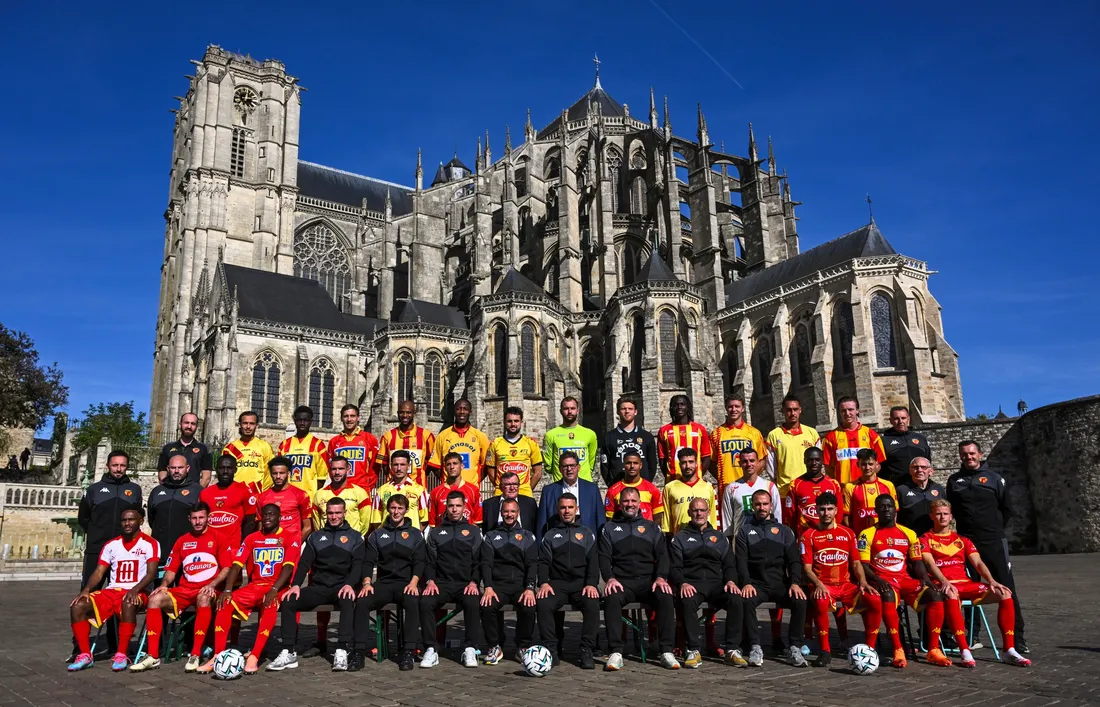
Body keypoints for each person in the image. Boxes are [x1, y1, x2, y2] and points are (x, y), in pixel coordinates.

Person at [919, 499, 1031, 667]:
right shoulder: (925, 538)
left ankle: (1009, 649)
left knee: (1004, 593)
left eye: (945, 514)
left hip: (965, 583)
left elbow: (978, 563)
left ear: (951, 517)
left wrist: (992, 581)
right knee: (951, 592)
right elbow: (930, 564)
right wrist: (944, 581)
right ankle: (965, 650)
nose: (942, 517)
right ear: (932, 516)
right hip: (943, 586)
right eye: (938, 514)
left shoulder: (962, 540)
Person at [197, 504, 300, 675]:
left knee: (270, 603)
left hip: (278, 587)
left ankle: (255, 655)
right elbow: (236, 565)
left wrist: (274, 588)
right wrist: (228, 590)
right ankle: (218, 655)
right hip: (254, 586)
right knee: (224, 603)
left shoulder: (290, 537)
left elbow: (288, 568)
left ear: (279, 517)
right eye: (264, 515)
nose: (267, 518)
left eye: (271, 515)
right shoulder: (252, 538)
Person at [131, 502, 232, 672]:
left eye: (201, 517)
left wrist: (212, 584)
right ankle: (152, 655)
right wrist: (164, 585)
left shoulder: (219, 537)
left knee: (203, 597)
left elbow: (227, 568)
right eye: (194, 518)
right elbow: (171, 570)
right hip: (185, 590)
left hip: (209, 590)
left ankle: (195, 653)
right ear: (189, 519)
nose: (198, 521)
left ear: (208, 517)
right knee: (155, 599)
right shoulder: (182, 541)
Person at [268, 497, 365, 672]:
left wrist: (350, 584)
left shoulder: (355, 537)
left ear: (344, 513)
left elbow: (358, 565)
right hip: (319, 588)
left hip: (342, 587)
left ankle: (342, 650)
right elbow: (304, 563)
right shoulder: (316, 537)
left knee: (348, 600)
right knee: (289, 600)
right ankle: (288, 651)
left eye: (337, 513)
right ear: (325, 514)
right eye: (330, 513)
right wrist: (296, 585)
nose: (334, 516)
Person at [947, 440, 1026, 653]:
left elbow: (1006, 508)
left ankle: (1017, 638)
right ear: (960, 456)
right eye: (964, 454)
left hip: (993, 541)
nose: (968, 457)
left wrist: (994, 530)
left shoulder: (994, 479)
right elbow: (952, 509)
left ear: (980, 454)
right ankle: (972, 635)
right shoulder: (954, 480)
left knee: (1006, 587)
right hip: (968, 543)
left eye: (972, 453)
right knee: (968, 588)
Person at [858, 494, 951, 668]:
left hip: (905, 580)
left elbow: (917, 561)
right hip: (884, 580)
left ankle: (933, 649)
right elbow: (863, 565)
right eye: (882, 506)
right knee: (887, 595)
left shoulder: (908, 533)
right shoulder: (867, 534)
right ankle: (898, 648)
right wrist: (877, 579)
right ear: (876, 511)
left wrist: (925, 578)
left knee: (935, 595)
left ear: (895, 509)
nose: (886, 509)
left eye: (889, 506)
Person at [67, 508, 160, 672]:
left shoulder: (150, 543)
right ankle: (85, 654)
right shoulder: (111, 545)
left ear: (141, 521)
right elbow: (99, 571)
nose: (127, 523)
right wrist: (86, 590)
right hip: (113, 590)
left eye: (131, 519)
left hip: (139, 591)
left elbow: (151, 573)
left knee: (128, 603)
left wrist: (135, 589)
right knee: (78, 605)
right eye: (124, 520)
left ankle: (121, 653)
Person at [73, 450, 143, 659]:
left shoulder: (134, 490)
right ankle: (79, 646)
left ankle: (116, 644)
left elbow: (136, 518)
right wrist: (97, 537)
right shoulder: (94, 490)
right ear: (108, 466)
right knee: (86, 595)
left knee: (119, 597)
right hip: (97, 550)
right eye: (115, 465)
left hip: (123, 553)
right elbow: (83, 518)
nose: (119, 469)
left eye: (122, 465)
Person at [600, 486, 679, 671]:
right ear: (619, 504)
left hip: (648, 582)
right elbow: (603, 557)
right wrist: (609, 579)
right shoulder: (609, 528)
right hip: (622, 582)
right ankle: (616, 652)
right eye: (626, 501)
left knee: (665, 596)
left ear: (639, 503)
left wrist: (660, 578)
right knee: (611, 598)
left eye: (633, 501)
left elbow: (663, 556)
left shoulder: (652, 528)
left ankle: (666, 650)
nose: (629, 504)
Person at [798, 491, 880, 668]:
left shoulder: (848, 533)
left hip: (845, 586)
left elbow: (856, 563)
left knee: (874, 599)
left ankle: (870, 649)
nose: (826, 513)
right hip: (823, 585)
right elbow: (806, 568)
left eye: (830, 509)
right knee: (820, 601)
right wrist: (818, 584)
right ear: (816, 511)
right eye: (822, 509)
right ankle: (825, 650)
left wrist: (864, 583)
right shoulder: (808, 535)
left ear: (836, 511)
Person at [735, 489, 808, 667]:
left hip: (779, 583)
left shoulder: (784, 531)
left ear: (771, 506)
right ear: (752, 506)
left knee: (800, 601)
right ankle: (755, 647)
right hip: (757, 584)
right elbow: (741, 562)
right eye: (758, 504)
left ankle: (794, 647)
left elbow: (794, 561)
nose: (762, 507)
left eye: (765, 504)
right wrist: (746, 583)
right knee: (746, 600)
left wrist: (795, 583)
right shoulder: (745, 531)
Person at [670, 497, 744, 668]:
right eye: (695, 510)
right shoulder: (680, 538)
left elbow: (729, 565)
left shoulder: (719, 538)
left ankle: (732, 649)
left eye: (702, 510)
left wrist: (732, 581)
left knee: (736, 599)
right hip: (692, 584)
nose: (699, 513)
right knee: (686, 601)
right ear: (689, 513)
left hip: (716, 584)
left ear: (709, 512)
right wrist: (682, 583)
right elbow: (675, 567)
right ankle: (693, 649)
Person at [355, 493, 424, 672]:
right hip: (384, 583)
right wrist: (367, 583)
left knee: (413, 601)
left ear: (406, 510)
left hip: (406, 583)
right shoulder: (377, 534)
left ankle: (408, 651)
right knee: (362, 602)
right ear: (388, 509)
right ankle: (358, 650)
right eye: (393, 508)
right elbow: (368, 561)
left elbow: (420, 562)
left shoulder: (415, 534)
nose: (396, 512)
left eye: (400, 508)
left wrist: (414, 583)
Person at [419, 492, 487, 668]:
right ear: (446, 508)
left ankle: (470, 648)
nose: (454, 509)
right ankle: (431, 649)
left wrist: (474, 582)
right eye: (451, 506)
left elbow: (478, 561)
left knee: (473, 602)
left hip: (465, 585)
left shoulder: (473, 532)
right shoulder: (435, 533)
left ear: (464, 508)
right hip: (441, 584)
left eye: (458, 506)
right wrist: (430, 581)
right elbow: (429, 562)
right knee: (425, 602)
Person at [536, 493, 601, 669]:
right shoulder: (550, 535)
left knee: (593, 603)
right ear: (558, 510)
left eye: (570, 507)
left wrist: (591, 583)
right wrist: (543, 582)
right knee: (543, 603)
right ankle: (552, 649)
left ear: (576, 509)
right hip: (558, 583)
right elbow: (543, 562)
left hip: (582, 584)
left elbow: (593, 562)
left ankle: (587, 649)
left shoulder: (587, 534)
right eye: (563, 507)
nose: (566, 511)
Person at [480, 498, 539, 665]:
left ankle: (523, 647)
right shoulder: (490, 536)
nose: (509, 514)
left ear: (518, 513)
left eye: (513, 511)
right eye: (506, 511)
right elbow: (486, 563)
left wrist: (529, 588)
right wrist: (488, 587)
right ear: (501, 513)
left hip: (520, 585)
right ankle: (494, 646)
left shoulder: (528, 536)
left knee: (529, 605)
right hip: (498, 586)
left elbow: (532, 564)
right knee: (487, 605)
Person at [537, 450, 605, 539]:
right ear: (560, 469)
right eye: (565, 466)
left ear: (578, 467)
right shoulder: (548, 491)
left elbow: (600, 520)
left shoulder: (592, 489)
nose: (569, 469)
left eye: (572, 465)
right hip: (558, 541)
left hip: (586, 541)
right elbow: (541, 524)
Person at [147, 454, 204, 557]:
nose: (176, 471)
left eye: (180, 467)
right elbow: (151, 519)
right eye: (173, 468)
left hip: (188, 552)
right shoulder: (157, 491)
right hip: (161, 552)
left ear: (187, 468)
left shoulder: (198, 491)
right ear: (168, 469)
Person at [710, 395, 766, 500]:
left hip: (749, 485)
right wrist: (720, 476)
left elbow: (762, 460)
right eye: (730, 407)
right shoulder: (716, 434)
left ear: (743, 409)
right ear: (726, 408)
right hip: (726, 486)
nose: (734, 409)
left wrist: (750, 476)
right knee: (728, 516)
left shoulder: (754, 433)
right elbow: (711, 462)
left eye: (737, 406)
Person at [765, 394, 821, 497]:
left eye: (795, 409)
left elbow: (818, 461)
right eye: (789, 410)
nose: (792, 413)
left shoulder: (812, 433)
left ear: (800, 410)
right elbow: (770, 466)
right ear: (783, 411)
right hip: (785, 491)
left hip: (809, 487)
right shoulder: (773, 435)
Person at [821, 397, 885, 485]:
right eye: (843, 410)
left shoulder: (872, 435)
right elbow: (828, 468)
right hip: (843, 489)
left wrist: (867, 478)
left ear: (857, 410)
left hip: (866, 487)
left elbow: (879, 464)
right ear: (839, 412)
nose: (847, 413)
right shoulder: (830, 438)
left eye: (850, 409)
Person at [427, 398, 491, 487]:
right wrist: (447, 480)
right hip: (449, 489)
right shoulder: (442, 436)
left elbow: (486, 466)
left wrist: (474, 482)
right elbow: (435, 465)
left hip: (471, 489)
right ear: (454, 411)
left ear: (470, 412)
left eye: (465, 409)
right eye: (458, 409)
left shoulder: (480, 437)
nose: (462, 412)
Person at [200, 454, 258, 551]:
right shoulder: (204, 493)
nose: (225, 472)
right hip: (209, 548)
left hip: (233, 549)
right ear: (216, 469)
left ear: (235, 470)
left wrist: (243, 545)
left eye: (229, 468)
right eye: (221, 468)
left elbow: (250, 522)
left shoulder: (244, 491)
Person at [720, 447, 780, 538]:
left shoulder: (770, 486)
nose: (749, 464)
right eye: (744, 461)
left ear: (758, 462)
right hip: (741, 540)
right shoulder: (731, 488)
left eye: (752, 460)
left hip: (766, 538)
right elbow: (727, 520)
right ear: (739, 463)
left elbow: (777, 515)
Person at [783, 447, 843, 536]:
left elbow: (839, 512)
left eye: (817, 460)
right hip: (805, 535)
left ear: (822, 460)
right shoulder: (795, 485)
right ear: (804, 461)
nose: (814, 463)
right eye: (810, 460)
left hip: (829, 535)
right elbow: (790, 514)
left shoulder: (833, 484)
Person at [376, 399, 436, 487]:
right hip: (394, 488)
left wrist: (421, 474)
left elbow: (431, 462)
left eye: (408, 412)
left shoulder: (426, 436)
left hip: (418, 488)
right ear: (397, 413)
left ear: (414, 413)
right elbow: (384, 464)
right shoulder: (388, 436)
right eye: (401, 412)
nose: (405, 415)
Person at [486, 406, 544, 496]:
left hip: (524, 493)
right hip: (501, 493)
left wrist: (527, 488)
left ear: (521, 422)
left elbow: (538, 472)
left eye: (516, 421)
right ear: (504, 423)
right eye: (509, 421)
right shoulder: (495, 443)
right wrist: (501, 487)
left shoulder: (531, 443)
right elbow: (490, 472)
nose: (513, 424)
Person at [600, 396, 658, 485]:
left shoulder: (646, 436)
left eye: (630, 409)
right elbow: (605, 466)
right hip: (618, 487)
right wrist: (612, 485)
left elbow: (652, 464)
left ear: (635, 412)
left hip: (642, 488)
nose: (627, 411)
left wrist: (646, 484)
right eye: (623, 409)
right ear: (618, 412)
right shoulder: (609, 437)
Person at [661, 448, 718, 536]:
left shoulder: (708, 487)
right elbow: (667, 522)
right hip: (680, 540)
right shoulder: (669, 488)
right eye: (684, 462)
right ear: (679, 464)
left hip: (704, 539)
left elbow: (713, 518)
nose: (688, 466)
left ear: (696, 464)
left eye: (691, 462)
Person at [656, 395, 712, 483]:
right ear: (671, 408)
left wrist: (697, 474)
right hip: (673, 480)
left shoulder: (700, 429)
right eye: (676, 405)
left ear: (688, 407)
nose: (679, 407)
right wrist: (670, 475)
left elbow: (706, 457)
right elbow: (662, 459)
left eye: (682, 404)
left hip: (696, 481)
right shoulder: (664, 431)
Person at [277, 405, 329, 501]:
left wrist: (313, 494)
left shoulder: (318, 445)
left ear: (310, 422)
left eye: (305, 420)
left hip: (309, 498)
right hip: (288, 497)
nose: (302, 423)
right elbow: (278, 472)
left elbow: (321, 477)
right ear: (295, 421)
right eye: (299, 420)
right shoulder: (284, 445)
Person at [543, 396, 599, 483]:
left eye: (572, 408)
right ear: (560, 411)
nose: (569, 412)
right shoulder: (550, 435)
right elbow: (548, 466)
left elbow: (591, 463)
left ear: (578, 410)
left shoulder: (590, 434)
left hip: (584, 484)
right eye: (566, 408)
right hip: (560, 485)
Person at [842, 448, 898, 535]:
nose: (867, 468)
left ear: (876, 464)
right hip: (860, 536)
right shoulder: (850, 487)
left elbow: (894, 513)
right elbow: (846, 516)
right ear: (858, 464)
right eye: (863, 464)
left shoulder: (888, 485)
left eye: (870, 464)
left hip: (884, 536)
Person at [370, 450, 429, 530]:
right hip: (388, 539)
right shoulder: (381, 491)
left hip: (410, 539)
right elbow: (376, 520)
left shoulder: (420, 490)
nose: (399, 468)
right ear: (391, 466)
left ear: (409, 466)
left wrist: (414, 536)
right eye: (396, 465)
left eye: (402, 464)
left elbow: (424, 520)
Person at [257, 456, 313, 540]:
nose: (278, 476)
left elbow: (307, 527)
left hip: (292, 544)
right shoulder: (262, 497)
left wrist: (294, 546)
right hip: (269, 546)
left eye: (282, 473)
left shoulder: (301, 495)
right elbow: (260, 526)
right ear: (270, 474)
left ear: (289, 473)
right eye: (275, 473)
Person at [327, 404, 380, 491]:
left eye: (352, 416)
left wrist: (369, 486)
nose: (349, 419)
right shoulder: (334, 442)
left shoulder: (370, 439)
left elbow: (375, 466)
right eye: (346, 416)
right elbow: (330, 467)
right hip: (341, 489)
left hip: (362, 489)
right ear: (341, 418)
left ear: (358, 418)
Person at [314, 455, 371, 533]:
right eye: (334, 469)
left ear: (348, 470)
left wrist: (356, 539)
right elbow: (316, 524)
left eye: (341, 469)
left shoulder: (360, 493)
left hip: (352, 543)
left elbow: (365, 522)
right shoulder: (319, 494)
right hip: (326, 542)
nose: (337, 472)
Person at [223, 410, 275, 495]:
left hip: (256, 494)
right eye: (245, 423)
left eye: (252, 423)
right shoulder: (229, 448)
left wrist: (261, 491)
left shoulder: (265, 446)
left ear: (257, 426)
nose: (248, 426)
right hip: (234, 493)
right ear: (240, 425)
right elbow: (223, 472)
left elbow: (270, 473)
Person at [605, 450, 665, 523]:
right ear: (623, 465)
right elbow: (609, 519)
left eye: (635, 463)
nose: (632, 466)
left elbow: (658, 516)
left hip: (645, 533)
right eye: (628, 463)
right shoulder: (613, 491)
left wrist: (652, 532)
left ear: (641, 465)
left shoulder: (652, 489)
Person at [879, 406, 932, 487]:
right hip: (896, 487)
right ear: (891, 421)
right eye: (896, 418)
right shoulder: (883, 441)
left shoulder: (920, 438)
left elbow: (928, 462)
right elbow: (880, 467)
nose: (900, 421)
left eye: (903, 418)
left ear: (908, 419)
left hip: (920, 487)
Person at [157, 412, 213, 486]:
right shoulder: (167, 448)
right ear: (180, 424)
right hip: (171, 492)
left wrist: (196, 492)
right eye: (186, 423)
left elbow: (206, 477)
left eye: (193, 424)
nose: (189, 426)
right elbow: (162, 473)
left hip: (193, 494)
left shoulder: (203, 449)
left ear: (196, 427)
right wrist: (167, 490)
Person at [429, 452, 483, 526]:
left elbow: (477, 522)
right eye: (448, 464)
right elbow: (433, 525)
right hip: (443, 535)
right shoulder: (436, 492)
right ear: (445, 468)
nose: (452, 467)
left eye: (455, 463)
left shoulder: (473, 490)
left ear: (462, 466)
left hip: (466, 535)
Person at [895, 457, 945, 537]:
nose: (919, 470)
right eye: (915, 467)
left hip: (934, 537)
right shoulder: (901, 490)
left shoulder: (939, 489)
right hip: (910, 537)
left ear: (931, 471)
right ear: (910, 470)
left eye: (923, 467)